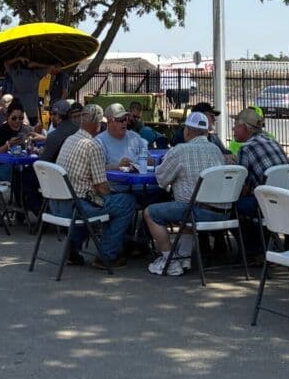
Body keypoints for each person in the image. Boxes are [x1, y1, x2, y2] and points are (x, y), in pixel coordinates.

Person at [144, 112, 229, 276]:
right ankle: (183, 258)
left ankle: (169, 260)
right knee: (185, 208)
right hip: (223, 212)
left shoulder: (180, 150)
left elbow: (161, 179)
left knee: (150, 213)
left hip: (195, 211)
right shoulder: (216, 150)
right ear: (206, 132)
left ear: (187, 131)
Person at [53, 104, 137, 269]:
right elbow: (102, 188)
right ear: (98, 123)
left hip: (57, 204)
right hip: (77, 206)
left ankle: (73, 249)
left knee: (98, 203)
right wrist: (111, 194)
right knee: (126, 202)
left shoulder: (70, 139)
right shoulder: (93, 145)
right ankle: (107, 255)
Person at [232, 107, 289, 260]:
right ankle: (268, 244)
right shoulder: (272, 141)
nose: (233, 128)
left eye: (235, 124)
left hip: (266, 203)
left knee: (231, 206)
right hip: (287, 199)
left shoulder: (246, 148)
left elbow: (242, 188)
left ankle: (253, 251)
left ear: (244, 127)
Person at [3, 56, 60, 126]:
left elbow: (6, 63)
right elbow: (51, 68)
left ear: (18, 66)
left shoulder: (15, 74)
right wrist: (36, 64)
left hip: (19, 112)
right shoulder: (36, 74)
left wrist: (18, 58)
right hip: (32, 112)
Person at [95, 103, 151, 171]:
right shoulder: (99, 142)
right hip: (114, 181)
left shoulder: (135, 137)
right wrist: (118, 166)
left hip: (138, 180)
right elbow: (97, 169)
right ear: (110, 121)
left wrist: (136, 163)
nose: (124, 123)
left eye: (125, 119)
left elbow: (151, 160)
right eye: (120, 120)